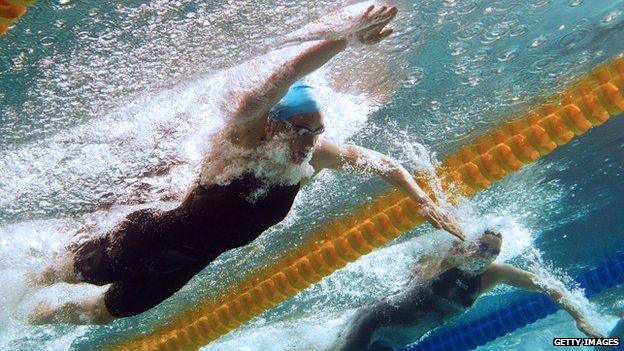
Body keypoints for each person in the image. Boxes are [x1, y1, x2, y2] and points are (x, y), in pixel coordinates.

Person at [30, 4, 464, 325]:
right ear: (273, 124)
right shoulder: (244, 135)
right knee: (67, 273)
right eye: (300, 129)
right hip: (148, 238)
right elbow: (286, 75)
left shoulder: (314, 153)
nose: (309, 140)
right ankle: (19, 286)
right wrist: (345, 40)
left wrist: (423, 200)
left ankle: (25, 319)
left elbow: (383, 163)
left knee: (105, 313)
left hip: (187, 264)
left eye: (316, 131)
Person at [331, 230, 604, 351]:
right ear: (467, 244)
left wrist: (579, 317)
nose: (487, 255)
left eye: (494, 252)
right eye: (482, 246)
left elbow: (549, 286)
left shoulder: (494, 275)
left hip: (393, 341)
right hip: (372, 322)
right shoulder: (447, 255)